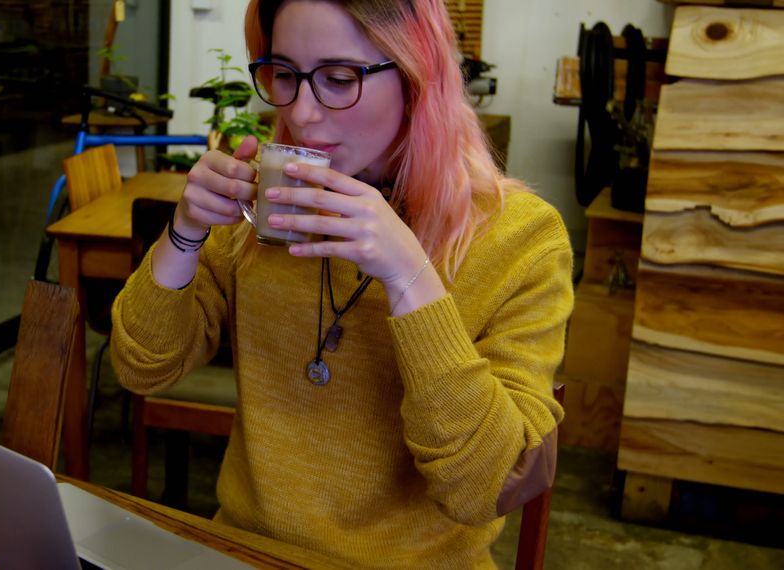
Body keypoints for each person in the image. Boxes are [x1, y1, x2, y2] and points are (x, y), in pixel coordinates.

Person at [110, 0, 573, 567]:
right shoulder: (264, 210)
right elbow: (142, 367)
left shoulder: (521, 239)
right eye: (284, 74)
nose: (302, 113)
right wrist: (184, 233)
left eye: (338, 78)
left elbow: (486, 488)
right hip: (245, 551)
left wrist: (409, 278)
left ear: (416, 75)